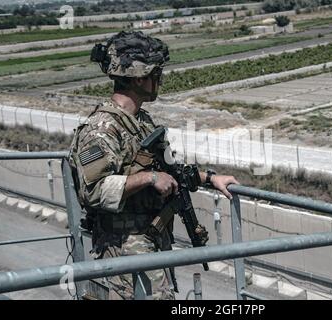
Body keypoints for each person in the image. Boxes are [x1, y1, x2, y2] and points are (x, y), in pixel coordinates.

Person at [68, 31, 239, 300]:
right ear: (139, 77)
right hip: (124, 245)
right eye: (156, 74)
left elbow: (169, 170)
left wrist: (209, 178)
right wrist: (149, 178)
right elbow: (93, 191)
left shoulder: (140, 121)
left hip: (149, 238)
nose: (160, 80)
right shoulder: (101, 129)